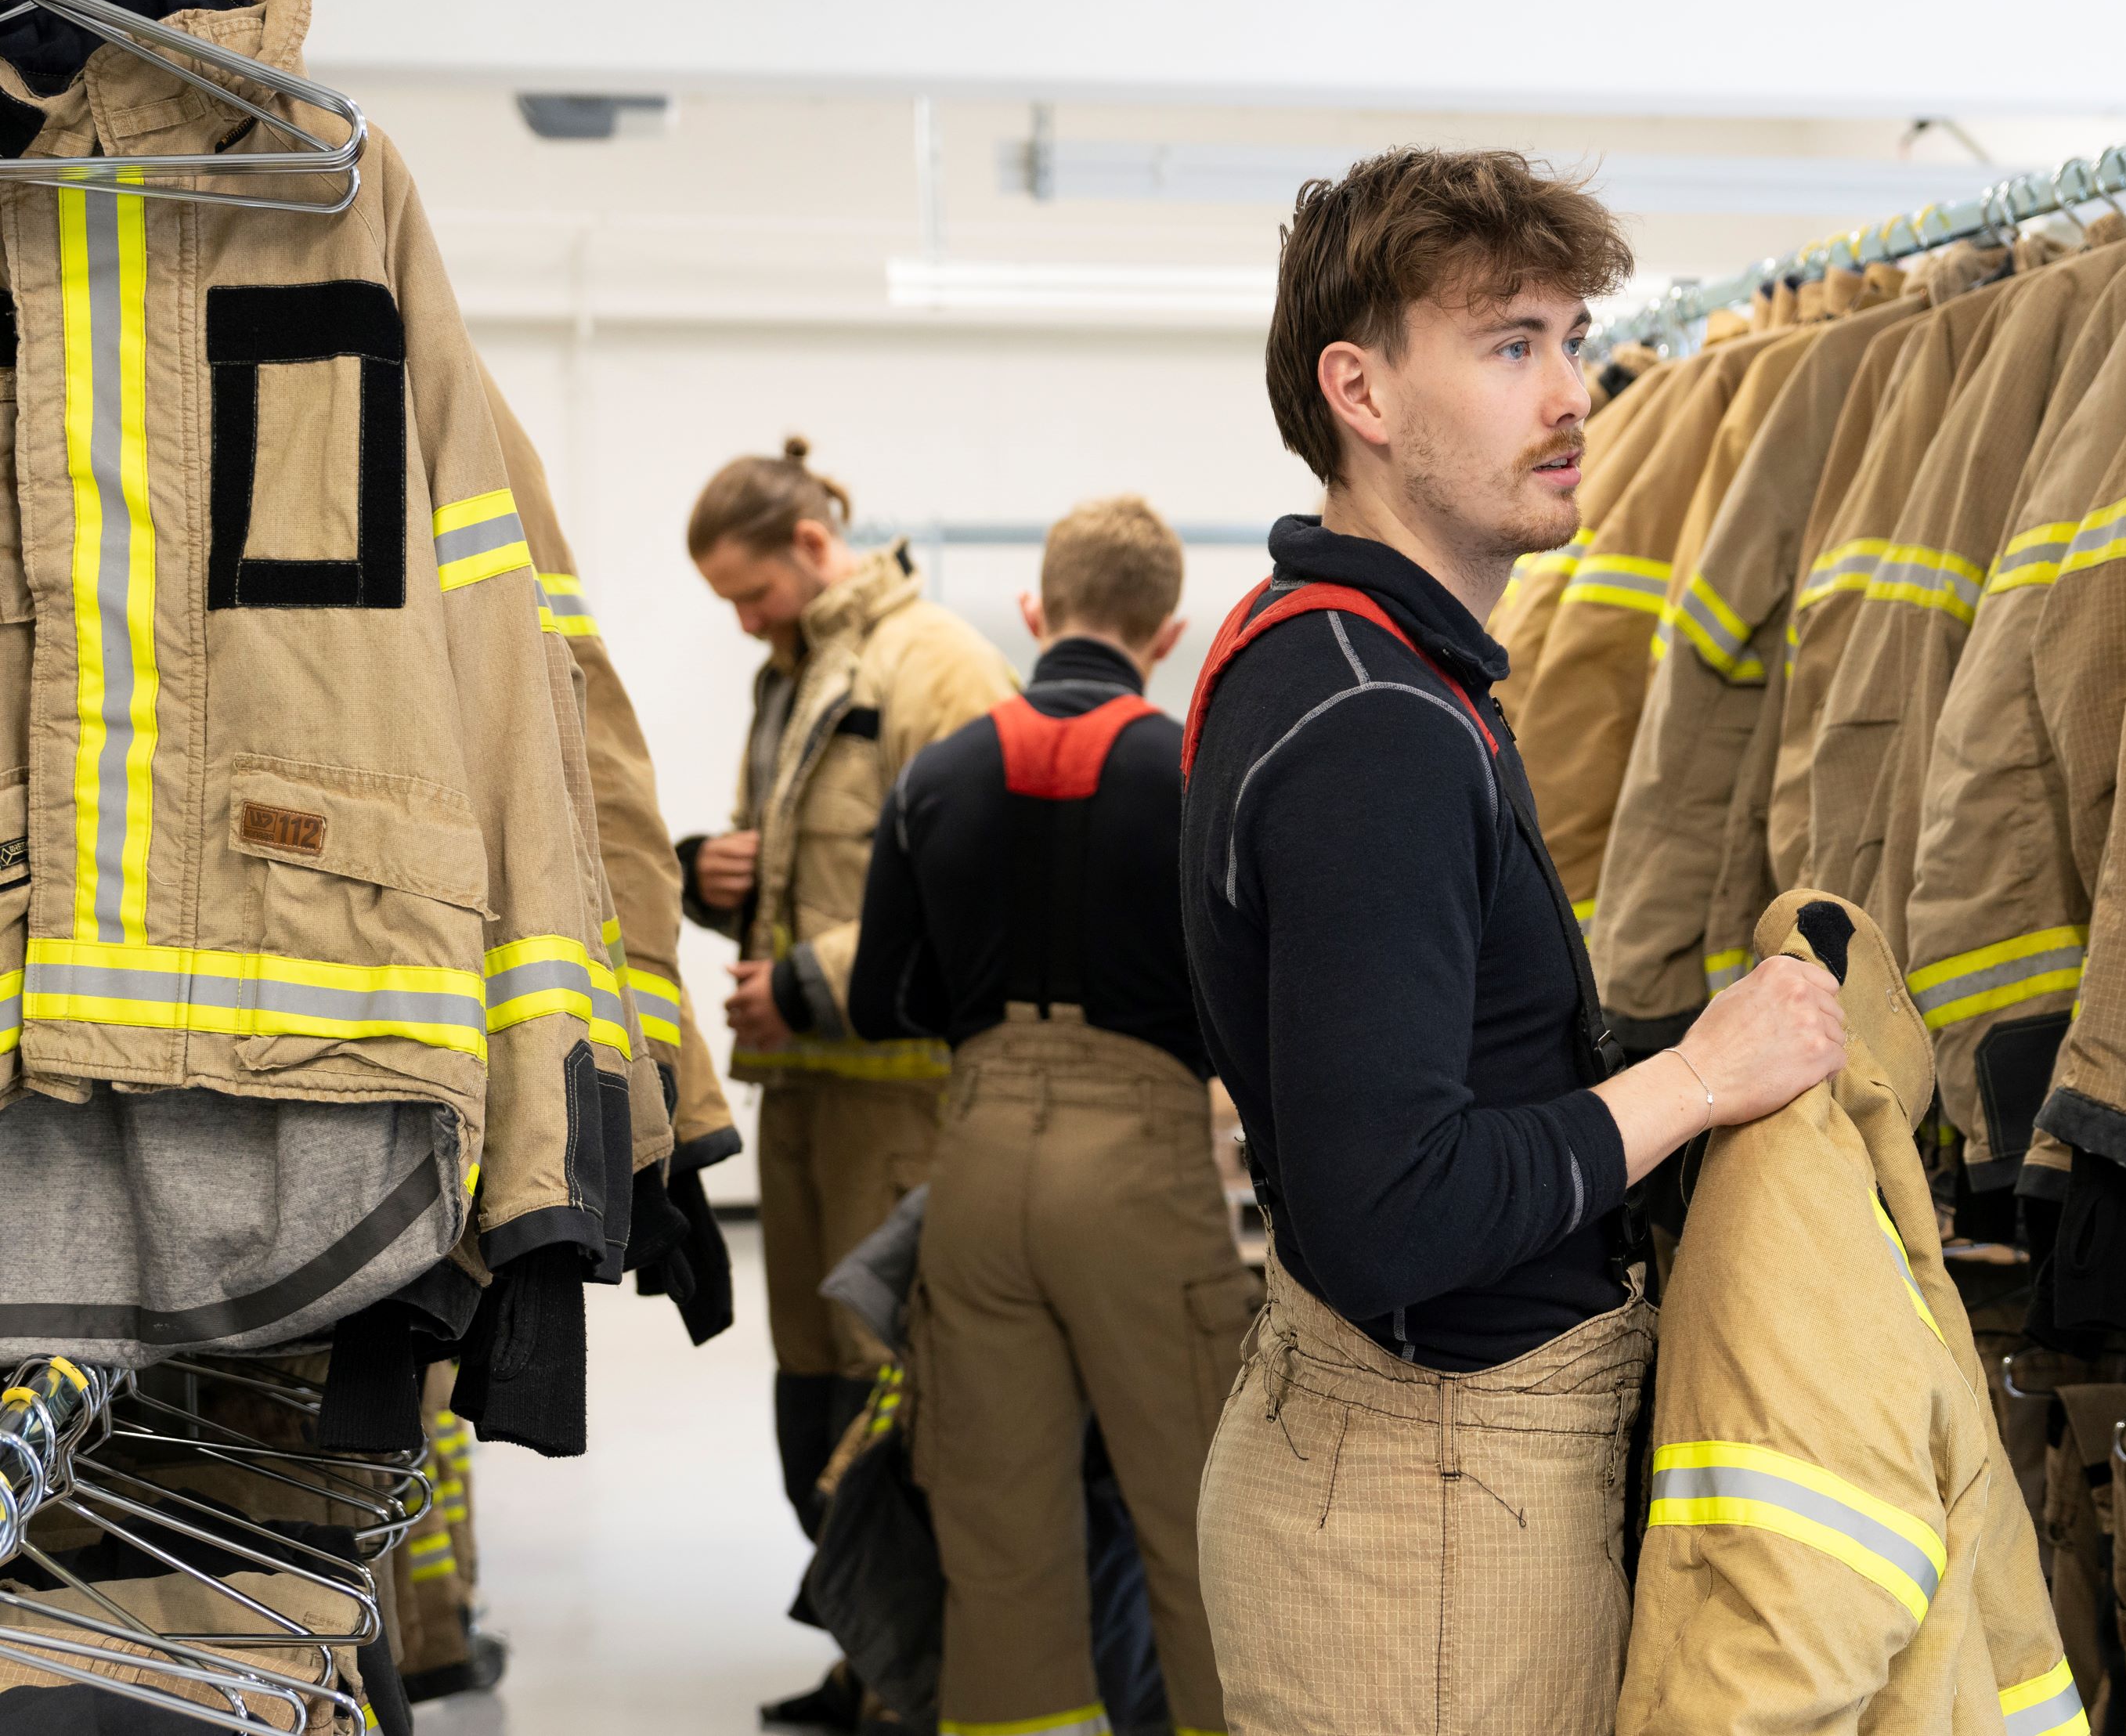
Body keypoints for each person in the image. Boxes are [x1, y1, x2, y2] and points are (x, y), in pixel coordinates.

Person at [1179, 146, 1852, 1734]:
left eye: (1569, 340)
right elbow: (1393, 1212)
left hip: (1414, 1475)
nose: (1572, 397)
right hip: (1431, 1517)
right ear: (1361, 388)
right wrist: (1691, 1078)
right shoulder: (1378, 726)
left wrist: (1651, 1053)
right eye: (1507, 346)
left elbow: (1432, 1062)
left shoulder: (1355, 661)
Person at [851, 495, 1248, 1736]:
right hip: (1144, 1169)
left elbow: (879, 1000)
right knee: (1198, 1533)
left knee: (1002, 1553)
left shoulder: (936, 773)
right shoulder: (1196, 771)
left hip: (974, 1170)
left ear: (1034, 611)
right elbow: (1246, 996)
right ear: (1170, 628)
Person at [673, 439, 1014, 1730]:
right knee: (812, 1393)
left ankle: (923, 1680)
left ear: (813, 549)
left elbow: (976, 891)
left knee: (899, 1388)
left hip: (900, 1102)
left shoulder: (938, 668)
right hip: (808, 1100)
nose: (741, 622)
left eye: (748, 593)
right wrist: (716, 874)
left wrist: (809, 978)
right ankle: (868, 1650)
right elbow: (819, 872)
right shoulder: (798, 675)